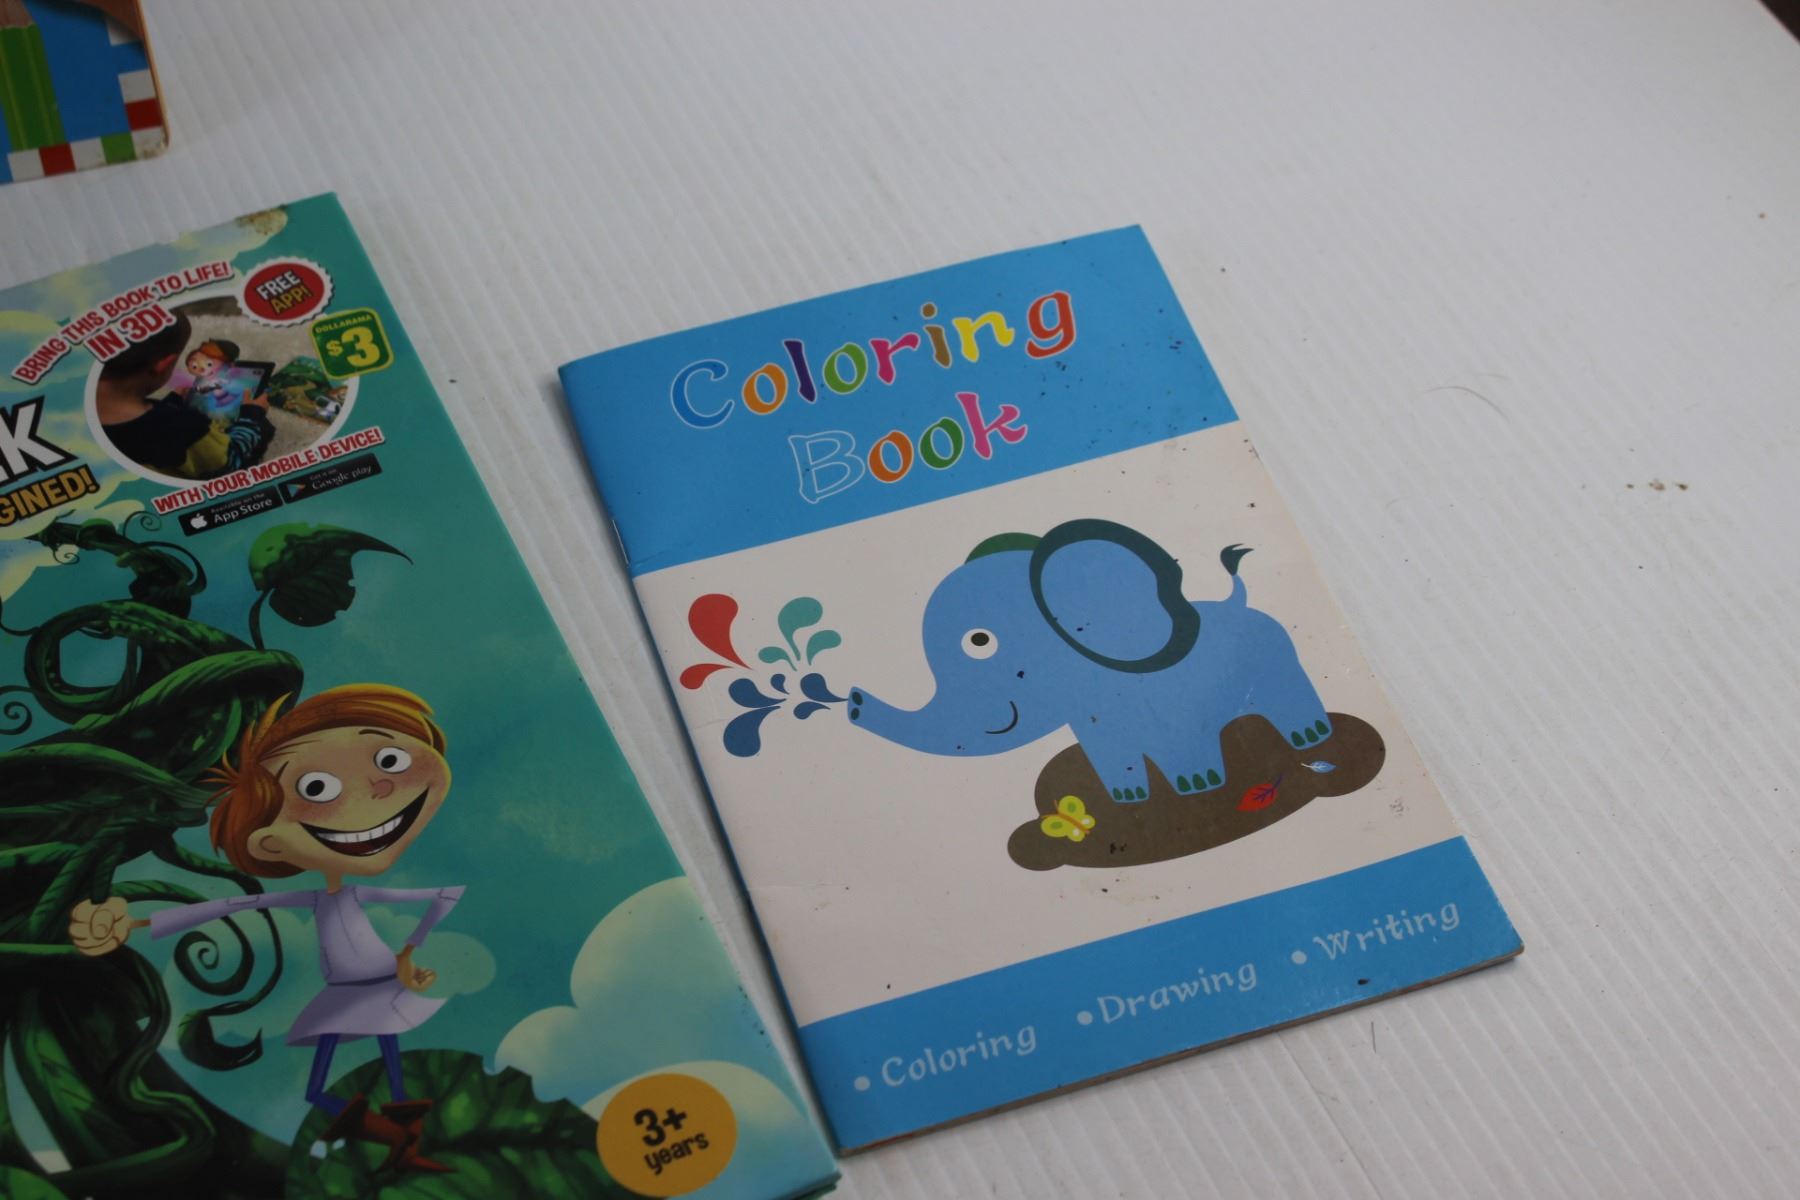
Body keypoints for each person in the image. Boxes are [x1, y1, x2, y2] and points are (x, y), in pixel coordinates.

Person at [68, 685, 466, 1173]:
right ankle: (390, 1139)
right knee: (324, 1089)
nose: (379, 789)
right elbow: (230, 905)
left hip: (383, 985)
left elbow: (443, 898)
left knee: (397, 1084)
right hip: (345, 993)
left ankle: (404, 1145)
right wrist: (136, 921)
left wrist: (407, 954)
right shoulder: (318, 897)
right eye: (316, 788)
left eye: (389, 759)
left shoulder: (362, 895)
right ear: (271, 844)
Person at [94, 313, 274, 478]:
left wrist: (172, 401)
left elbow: (148, 422)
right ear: (164, 365)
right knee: (263, 428)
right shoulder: (187, 428)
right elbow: (230, 462)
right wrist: (252, 415)